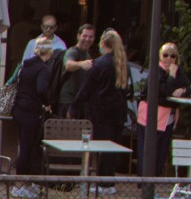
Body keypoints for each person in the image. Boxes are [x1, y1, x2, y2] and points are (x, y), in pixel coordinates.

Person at [73, 28, 132, 156]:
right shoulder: (123, 65)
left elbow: (86, 89)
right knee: (111, 154)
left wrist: (74, 106)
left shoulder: (99, 64)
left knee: (99, 153)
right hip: (118, 115)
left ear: (103, 44)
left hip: (100, 114)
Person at [13, 38, 62, 175]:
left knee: (23, 144)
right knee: (28, 148)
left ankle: (21, 180)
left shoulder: (26, 65)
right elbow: (41, 89)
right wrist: (47, 103)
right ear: (50, 52)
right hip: (30, 111)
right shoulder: (43, 69)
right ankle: (22, 181)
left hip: (18, 108)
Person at [57, 23, 98, 115]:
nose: (87, 39)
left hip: (79, 101)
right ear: (78, 36)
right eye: (84, 36)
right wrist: (81, 64)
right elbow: (68, 65)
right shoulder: (72, 51)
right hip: (68, 101)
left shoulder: (87, 54)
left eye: (90, 37)